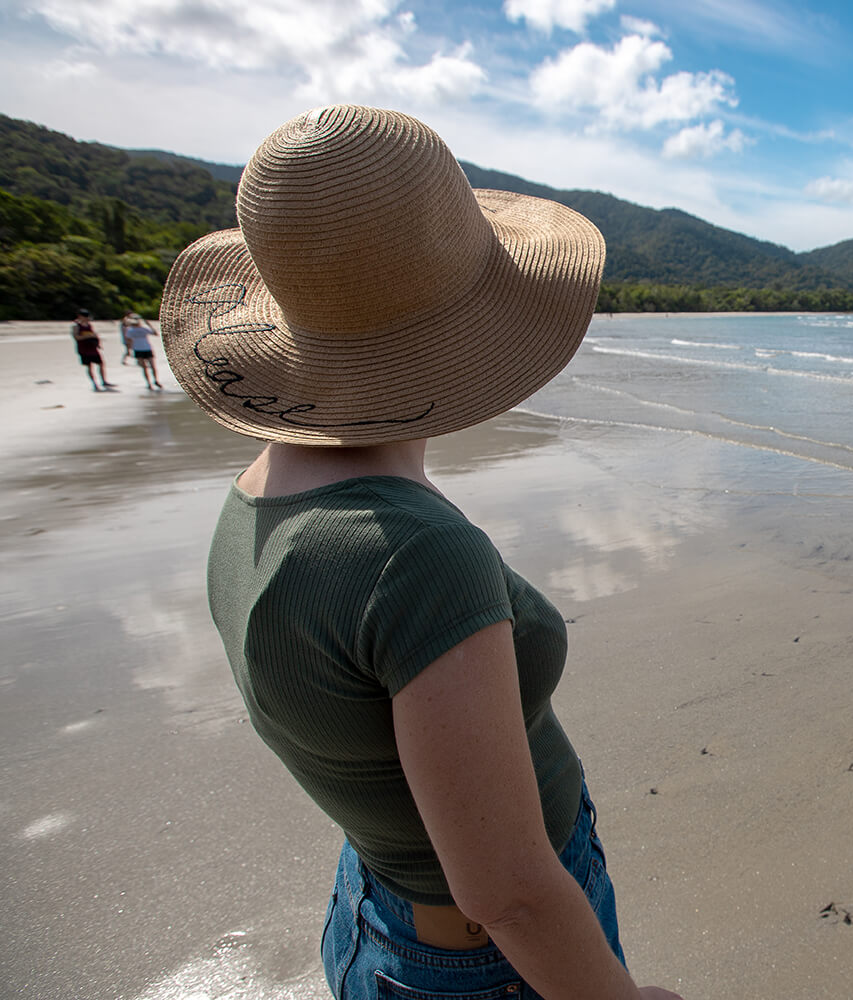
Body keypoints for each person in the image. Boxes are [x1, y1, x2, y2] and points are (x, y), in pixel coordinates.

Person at [159, 105, 683, 1000]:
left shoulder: (261, 492)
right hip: (488, 955)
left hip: (378, 903)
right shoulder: (416, 555)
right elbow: (508, 890)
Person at [70, 308, 115, 390]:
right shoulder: (76, 326)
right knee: (89, 366)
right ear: (79, 316)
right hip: (83, 349)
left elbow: (93, 334)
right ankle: (94, 383)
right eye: (85, 316)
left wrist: (97, 342)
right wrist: (88, 336)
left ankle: (104, 381)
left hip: (93, 348)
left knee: (101, 364)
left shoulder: (89, 325)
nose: (86, 318)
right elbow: (76, 337)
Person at [121, 313, 163, 390]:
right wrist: (149, 325)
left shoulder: (132, 330)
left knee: (147, 367)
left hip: (141, 349)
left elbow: (128, 339)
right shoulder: (135, 329)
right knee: (149, 367)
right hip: (143, 348)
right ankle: (152, 381)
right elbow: (155, 333)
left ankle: (152, 382)